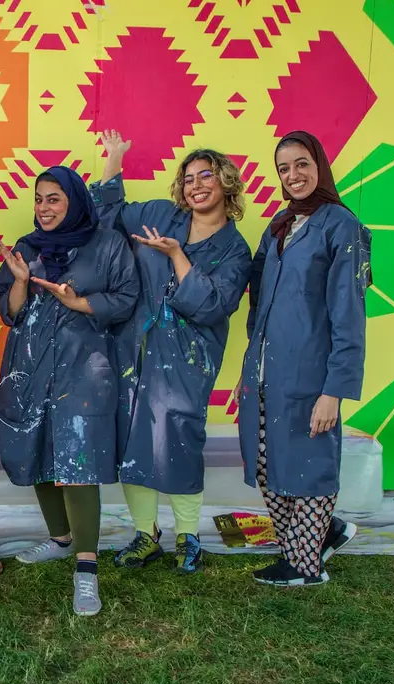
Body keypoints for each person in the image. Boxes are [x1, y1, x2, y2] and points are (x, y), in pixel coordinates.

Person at [90, 130, 253, 573]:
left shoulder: (236, 250)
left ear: (226, 184)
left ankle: (188, 535)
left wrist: (179, 257)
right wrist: (114, 159)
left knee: (179, 440)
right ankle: (146, 535)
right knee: (132, 441)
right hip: (133, 349)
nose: (196, 185)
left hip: (187, 359)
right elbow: (110, 217)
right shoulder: (162, 216)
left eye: (206, 176)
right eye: (188, 179)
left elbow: (213, 305)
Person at [0, 165, 139, 616]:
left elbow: (127, 296)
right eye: (39, 199)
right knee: (35, 449)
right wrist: (19, 282)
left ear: (74, 201)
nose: (43, 207)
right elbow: (8, 311)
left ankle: (86, 571)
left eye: (54, 199)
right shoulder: (26, 248)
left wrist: (80, 303)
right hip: (30, 367)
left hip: (84, 367)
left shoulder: (108, 243)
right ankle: (60, 538)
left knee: (79, 460)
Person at [238, 130, 369, 587]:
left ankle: (304, 566)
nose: (293, 176)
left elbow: (349, 316)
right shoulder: (278, 225)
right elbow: (256, 300)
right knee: (266, 462)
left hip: (312, 373)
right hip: (266, 370)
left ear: (319, 166)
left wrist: (334, 391)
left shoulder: (341, 226)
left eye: (301, 165)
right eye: (283, 168)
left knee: (309, 465)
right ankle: (321, 533)